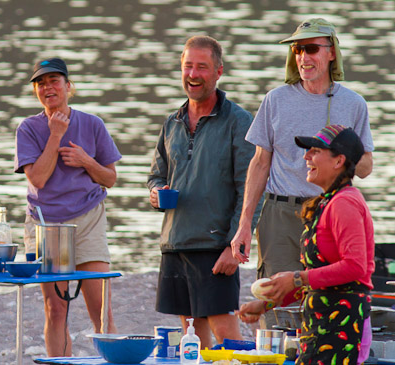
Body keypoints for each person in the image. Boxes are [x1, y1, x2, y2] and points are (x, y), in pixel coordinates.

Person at [231, 18, 374, 319]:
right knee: (277, 302)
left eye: (311, 49)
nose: (303, 58)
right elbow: (259, 163)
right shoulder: (275, 100)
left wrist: (341, 149)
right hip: (280, 214)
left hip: (330, 215)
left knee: (325, 301)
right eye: (298, 50)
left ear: (332, 52)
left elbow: (365, 169)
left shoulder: (354, 103)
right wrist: (244, 224)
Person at [147, 35, 261, 349]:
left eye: (202, 67)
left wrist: (234, 246)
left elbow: (250, 189)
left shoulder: (239, 122)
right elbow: (156, 176)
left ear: (218, 71)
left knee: (227, 338)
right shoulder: (172, 122)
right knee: (191, 339)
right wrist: (157, 192)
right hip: (175, 243)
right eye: (187, 66)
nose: (193, 74)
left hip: (215, 247)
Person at [237, 125, 375, 365]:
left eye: (314, 151)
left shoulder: (345, 203)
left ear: (338, 161)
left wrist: (297, 278)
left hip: (343, 328)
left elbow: (355, 267)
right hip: (320, 326)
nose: (305, 157)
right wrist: (269, 303)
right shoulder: (326, 202)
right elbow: (321, 279)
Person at [14, 58, 121, 356]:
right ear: (36, 91)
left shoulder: (93, 124)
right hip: (45, 224)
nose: (48, 87)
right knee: (56, 307)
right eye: (41, 83)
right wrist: (56, 135)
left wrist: (87, 161)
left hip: (88, 219)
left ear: (67, 86)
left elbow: (110, 178)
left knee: (101, 309)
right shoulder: (28, 129)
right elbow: (38, 179)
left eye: (54, 81)